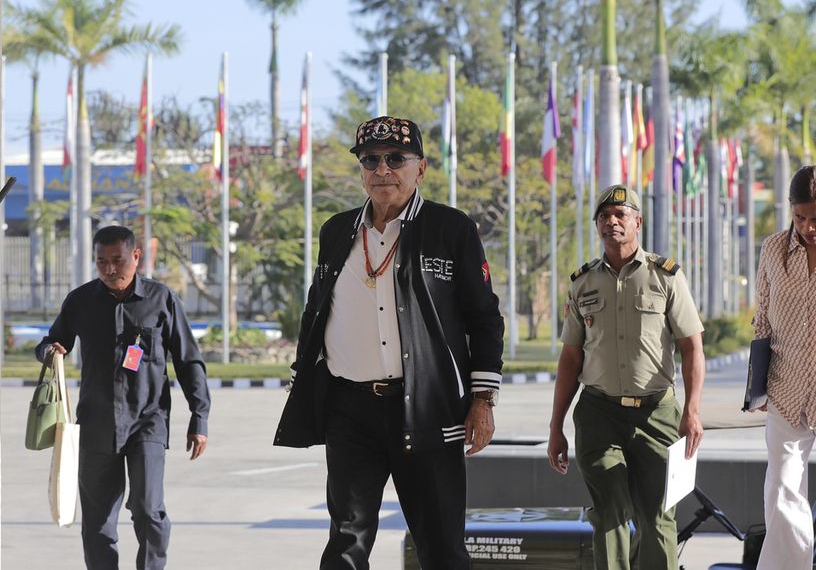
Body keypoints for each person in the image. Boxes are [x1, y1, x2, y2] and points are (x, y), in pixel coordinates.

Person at [274, 115, 505, 570]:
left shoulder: (452, 229)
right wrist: (304, 376)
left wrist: (483, 399)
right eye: (370, 160)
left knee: (441, 545)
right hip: (349, 410)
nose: (383, 169)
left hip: (427, 410)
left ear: (420, 169)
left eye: (395, 159)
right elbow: (316, 308)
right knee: (345, 542)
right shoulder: (336, 230)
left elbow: (484, 317)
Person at [547, 184, 705, 570]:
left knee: (657, 519)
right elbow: (570, 359)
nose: (612, 222)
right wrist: (556, 427)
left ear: (638, 221)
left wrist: (693, 410)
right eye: (604, 216)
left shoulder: (666, 278)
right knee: (610, 514)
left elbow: (692, 349)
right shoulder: (582, 283)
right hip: (599, 415)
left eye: (621, 215)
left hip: (657, 414)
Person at [36, 225, 210, 570]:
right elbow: (51, 341)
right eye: (101, 262)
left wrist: (199, 417)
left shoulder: (162, 300)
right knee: (98, 522)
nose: (110, 269)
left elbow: (189, 360)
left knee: (148, 511)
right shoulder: (81, 300)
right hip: (96, 424)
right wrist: (49, 351)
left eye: (117, 260)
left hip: (148, 422)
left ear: (136, 256)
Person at [752, 165, 816, 569]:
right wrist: (756, 386)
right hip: (786, 389)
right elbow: (762, 319)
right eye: (800, 217)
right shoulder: (773, 250)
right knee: (781, 492)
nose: (809, 227)